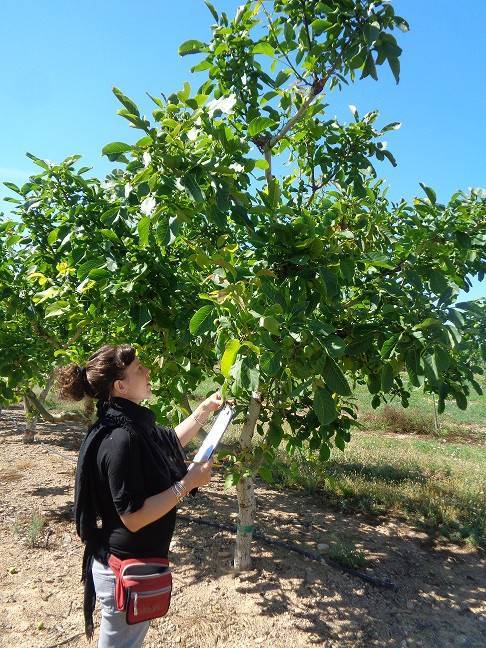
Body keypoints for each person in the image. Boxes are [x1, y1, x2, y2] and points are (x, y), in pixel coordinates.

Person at [56, 343, 221, 647]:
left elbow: (168, 440)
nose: (147, 372)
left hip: (134, 563)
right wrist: (186, 484)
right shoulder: (120, 439)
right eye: (138, 370)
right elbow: (133, 517)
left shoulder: (128, 422)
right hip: (123, 570)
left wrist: (203, 411)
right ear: (120, 385)